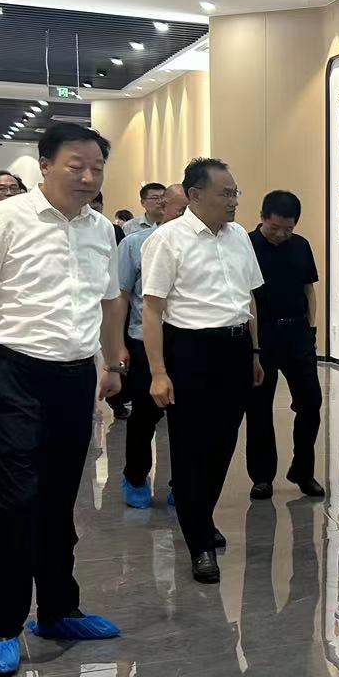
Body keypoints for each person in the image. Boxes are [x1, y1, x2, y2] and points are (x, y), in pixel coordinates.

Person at [0, 123, 127, 677]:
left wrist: (111, 363)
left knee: (62, 500)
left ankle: (59, 610)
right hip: (13, 372)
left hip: (75, 375)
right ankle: (0, 624)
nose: (88, 177)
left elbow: (109, 302)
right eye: (76, 165)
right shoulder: (3, 219)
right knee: (19, 501)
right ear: (44, 164)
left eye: (96, 168)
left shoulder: (101, 230)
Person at [141, 158, 265, 584]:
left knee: (223, 445)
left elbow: (249, 299)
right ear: (195, 195)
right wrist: (158, 372)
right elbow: (152, 311)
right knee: (192, 449)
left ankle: (201, 516)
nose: (233, 201)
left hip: (235, 348)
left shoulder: (239, 237)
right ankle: (199, 545)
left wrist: (255, 352)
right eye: (225, 194)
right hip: (190, 351)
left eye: (235, 193)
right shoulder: (167, 240)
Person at [245, 189, 326, 499]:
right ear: (263, 218)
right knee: (259, 408)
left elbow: (309, 291)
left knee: (311, 403)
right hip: (261, 336)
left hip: (297, 334)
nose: (281, 234)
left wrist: (312, 330)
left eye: (288, 228)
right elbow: (247, 298)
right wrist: (254, 348)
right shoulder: (247, 245)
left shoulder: (301, 245)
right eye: (274, 227)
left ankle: (303, 471)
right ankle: (262, 476)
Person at [116, 183, 187, 508]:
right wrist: (117, 345)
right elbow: (121, 297)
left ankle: (181, 483)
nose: (186, 216)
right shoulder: (135, 244)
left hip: (184, 341)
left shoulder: (198, 244)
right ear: (163, 208)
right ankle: (135, 477)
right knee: (145, 415)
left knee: (184, 418)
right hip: (143, 340)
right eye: (180, 210)